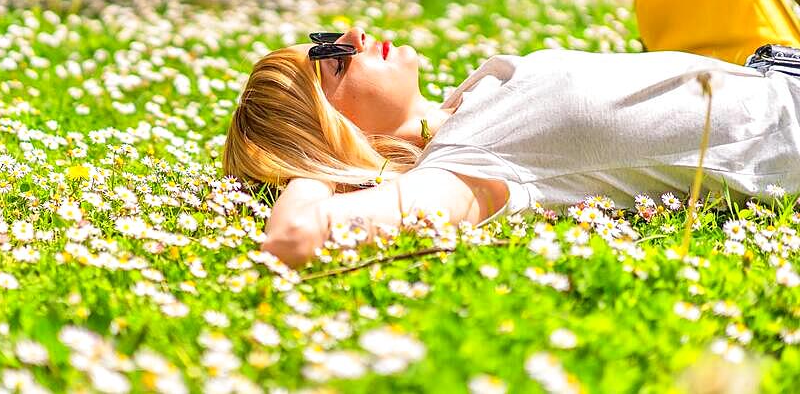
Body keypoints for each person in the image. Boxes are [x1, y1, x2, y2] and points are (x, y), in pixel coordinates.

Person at [223, 27, 800, 268]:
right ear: (334, 128)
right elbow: (291, 239)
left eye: (327, 39)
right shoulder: (464, 165)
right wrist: (317, 165)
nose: (350, 34)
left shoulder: (467, 107)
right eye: (333, 62)